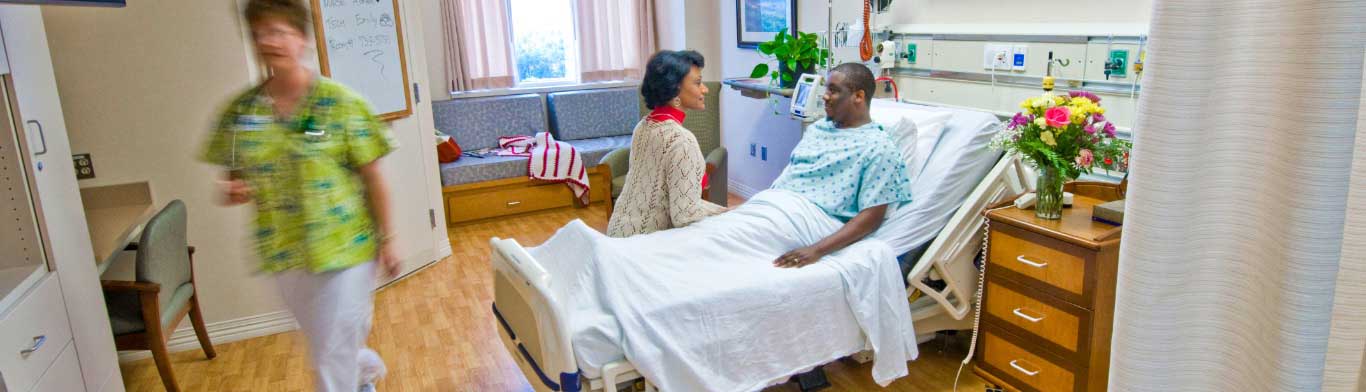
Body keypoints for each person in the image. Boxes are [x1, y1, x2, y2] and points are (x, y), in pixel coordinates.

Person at [199, 0, 397, 390]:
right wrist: (232, 187)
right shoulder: (242, 112)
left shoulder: (341, 103)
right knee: (328, 342)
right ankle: (363, 374)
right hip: (285, 248)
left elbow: (373, 176)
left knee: (328, 353)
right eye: (260, 33)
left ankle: (352, 377)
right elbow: (233, 172)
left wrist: (387, 239)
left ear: (302, 39)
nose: (270, 41)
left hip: (347, 246)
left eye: (280, 31)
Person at [770, 63, 914, 268]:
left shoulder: (878, 148)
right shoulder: (818, 129)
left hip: (811, 221)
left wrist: (816, 250)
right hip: (776, 207)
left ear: (859, 96)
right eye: (826, 89)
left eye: (833, 90)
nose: (825, 96)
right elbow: (789, 176)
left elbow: (871, 217)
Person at [606, 50, 726, 237]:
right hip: (643, 244)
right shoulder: (682, 141)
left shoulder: (644, 126)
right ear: (674, 91)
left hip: (617, 231)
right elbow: (685, 216)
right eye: (697, 82)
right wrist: (728, 214)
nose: (705, 89)